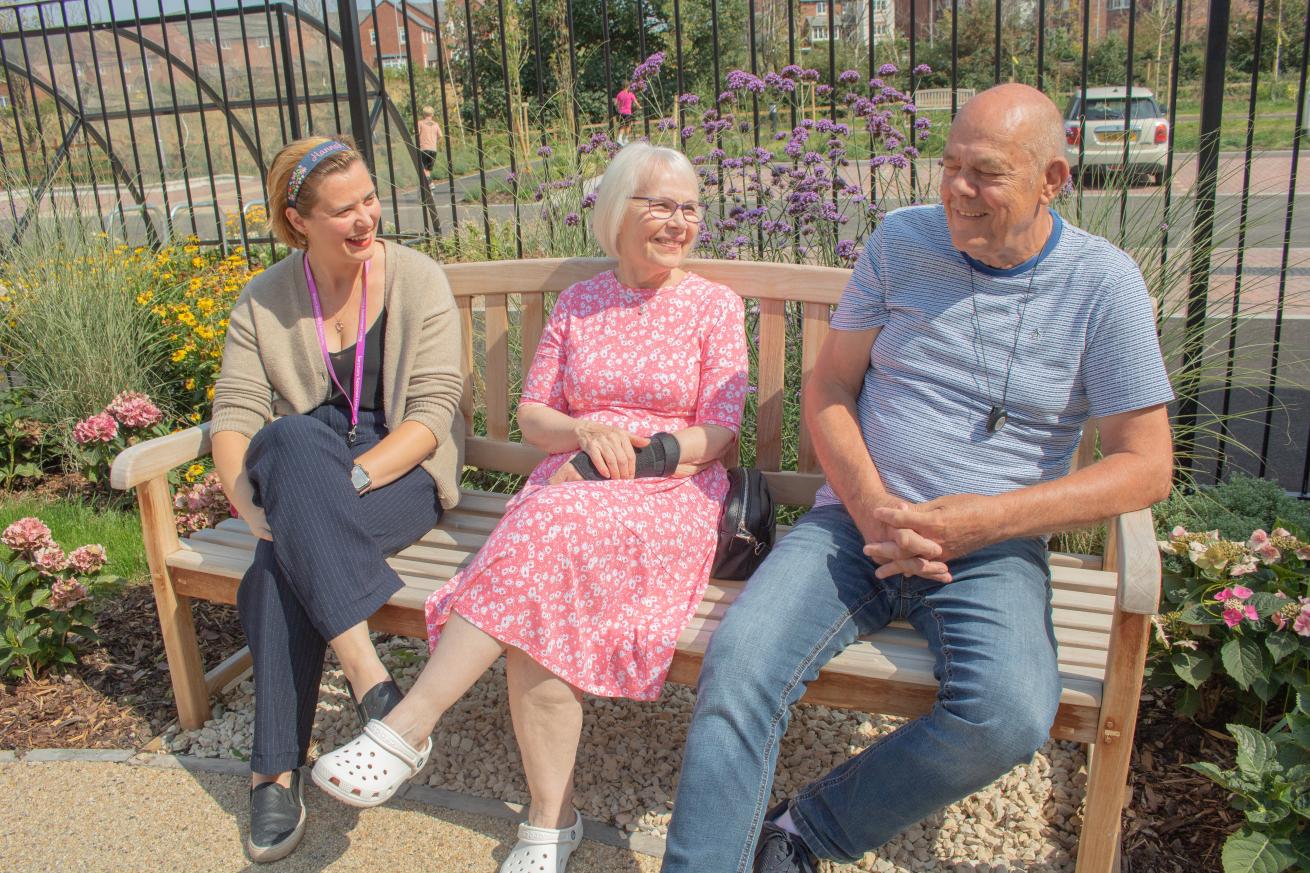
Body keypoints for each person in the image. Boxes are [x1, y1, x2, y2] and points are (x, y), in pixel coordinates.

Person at [661, 83, 1175, 873]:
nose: (957, 192)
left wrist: (987, 521)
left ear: (1053, 179)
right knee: (740, 664)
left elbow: (1147, 466)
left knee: (1006, 715)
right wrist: (870, 506)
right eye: (949, 166)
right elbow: (830, 387)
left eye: (987, 173)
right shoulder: (901, 242)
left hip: (992, 550)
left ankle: (805, 831)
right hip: (853, 525)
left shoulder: (1103, 285)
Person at [311, 142, 747, 873]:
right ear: (618, 210)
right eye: (661, 205)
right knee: (545, 562)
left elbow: (721, 431)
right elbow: (534, 415)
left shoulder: (713, 305)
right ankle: (546, 819)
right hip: (569, 484)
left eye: (690, 208)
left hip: (669, 492)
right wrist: (580, 435)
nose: (679, 222)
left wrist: (634, 459)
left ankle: (414, 730)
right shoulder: (580, 301)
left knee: (546, 534)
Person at [211, 135, 464, 863]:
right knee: (288, 442)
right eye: (343, 210)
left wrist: (333, 491)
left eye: (369, 199)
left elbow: (432, 412)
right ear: (298, 221)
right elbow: (234, 416)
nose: (366, 219)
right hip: (301, 471)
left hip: (399, 474)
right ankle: (375, 684)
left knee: (277, 561)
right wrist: (246, 501)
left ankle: (271, 772)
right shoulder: (263, 299)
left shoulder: (418, 279)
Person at [417, 106, 443, 183]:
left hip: (424, 148)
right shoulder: (436, 124)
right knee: (428, 169)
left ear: (423, 114)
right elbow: (440, 135)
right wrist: (435, 141)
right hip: (433, 149)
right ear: (432, 114)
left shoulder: (420, 123)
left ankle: (429, 183)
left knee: (423, 168)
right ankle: (428, 185)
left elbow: (417, 134)